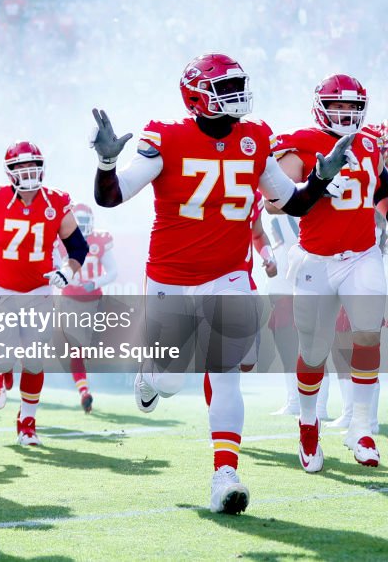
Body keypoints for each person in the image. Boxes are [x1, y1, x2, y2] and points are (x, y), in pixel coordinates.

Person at [90, 52, 356, 514]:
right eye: (226, 88)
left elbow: (291, 203)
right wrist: (106, 164)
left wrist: (321, 177)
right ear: (198, 97)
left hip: (229, 274)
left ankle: (225, 474)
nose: (237, 96)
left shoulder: (254, 137)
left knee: (225, 371)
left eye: (238, 86)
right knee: (171, 381)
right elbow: (113, 197)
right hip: (171, 276)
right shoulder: (168, 136)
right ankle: (152, 374)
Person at [270, 74, 388, 471]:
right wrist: (316, 184)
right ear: (321, 105)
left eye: (353, 107)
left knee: (369, 331)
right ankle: (308, 423)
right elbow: (274, 201)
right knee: (314, 350)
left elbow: (382, 192)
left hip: (362, 255)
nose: (346, 113)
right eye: (339, 105)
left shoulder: (369, 142)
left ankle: (361, 427)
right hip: (316, 259)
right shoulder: (300, 140)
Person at [0, 141, 87, 446]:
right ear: (10, 172)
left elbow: (78, 247)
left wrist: (67, 272)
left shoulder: (56, 201)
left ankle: (27, 423)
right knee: (5, 360)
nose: (28, 171)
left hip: (39, 289)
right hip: (1, 288)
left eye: (33, 165)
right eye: (20, 166)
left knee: (34, 359)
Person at [53, 203, 119, 413]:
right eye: (77, 222)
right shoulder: (61, 242)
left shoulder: (99, 240)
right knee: (76, 351)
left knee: (90, 348)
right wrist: (64, 279)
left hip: (94, 300)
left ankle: (84, 386)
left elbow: (113, 271)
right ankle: (84, 391)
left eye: (84, 222)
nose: (81, 227)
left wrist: (95, 281)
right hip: (70, 301)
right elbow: (54, 269)